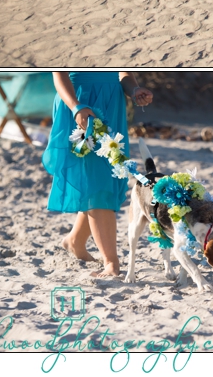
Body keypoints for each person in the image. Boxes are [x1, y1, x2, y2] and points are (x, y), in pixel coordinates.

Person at [43, 71, 152, 278]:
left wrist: (134, 89)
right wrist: (75, 106)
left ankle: (75, 241)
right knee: (97, 182)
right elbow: (59, 73)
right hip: (80, 102)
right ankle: (111, 262)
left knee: (103, 179)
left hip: (112, 103)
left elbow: (124, 73)